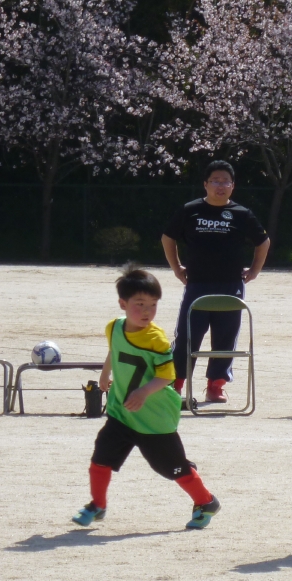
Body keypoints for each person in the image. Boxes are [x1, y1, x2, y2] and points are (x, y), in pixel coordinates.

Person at [72, 266, 221, 530]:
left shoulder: (156, 339)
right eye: (139, 304)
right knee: (101, 457)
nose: (147, 311)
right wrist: (105, 373)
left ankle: (206, 501)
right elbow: (114, 350)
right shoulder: (114, 327)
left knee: (171, 468)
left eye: (153, 305)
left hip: (155, 418)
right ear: (123, 304)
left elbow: (167, 376)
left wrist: (143, 392)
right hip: (122, 412)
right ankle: (97, 505)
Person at [162, 160, 270, 403]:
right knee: (187, 336)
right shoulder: (190, 210)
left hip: (230, 285)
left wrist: (255, 270)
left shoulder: (242, 214)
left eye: (225, 182)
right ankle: (175, 384)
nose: (220, 186)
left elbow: (263, 242)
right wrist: (177, 268)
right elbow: (168, 237)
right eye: (215, 181)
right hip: (197, 285)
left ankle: (216, 385)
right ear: (205, 184)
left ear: (233, 186)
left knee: (225, 337)